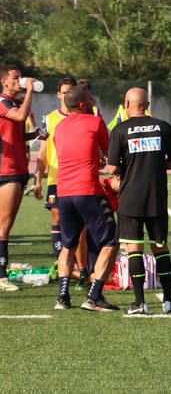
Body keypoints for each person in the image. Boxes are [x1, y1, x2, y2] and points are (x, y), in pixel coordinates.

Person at [107, 88, 171, 315]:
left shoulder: (120, 129)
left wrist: (127, 168)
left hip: (130, 198)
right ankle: (168, 300)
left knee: (134, 249)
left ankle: (140, 303)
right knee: (161, 248)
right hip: (156, 198)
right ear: (147, 104)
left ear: (126, 104)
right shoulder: (163, 126)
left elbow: (112, 168)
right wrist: (158, 165)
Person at [53, 86, 119, 311]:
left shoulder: (60, 126)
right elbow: (113, 157)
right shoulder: (95, 122)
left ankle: (62, 297)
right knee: (111, 241)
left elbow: (74, 155)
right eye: (90, 98)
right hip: (88, 191)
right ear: (82, 104)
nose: (93, 101)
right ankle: (94, 296)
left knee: (68, 245)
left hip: (63, 192)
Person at [33, 77, 89, 286]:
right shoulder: (50, 119)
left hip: (80, 179)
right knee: (57, 222)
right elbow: (42, 153)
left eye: (70, 91)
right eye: (63, 92)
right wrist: (38, 179)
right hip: (57, 179)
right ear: (58, 94)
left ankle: (81, 270)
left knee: (81, 229)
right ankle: (63, 267)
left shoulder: (85, 117)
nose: (66, 95)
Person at [0, 65, 44, 291]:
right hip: (5, 170)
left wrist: (35, 134)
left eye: (20, 78)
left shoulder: (15, 103)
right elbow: (20, 116)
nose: (20, 81)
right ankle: (1, 276)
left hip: (18, 169)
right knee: (4, 224)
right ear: (4, 82)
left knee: (7, 223)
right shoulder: (4, 102)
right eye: (15, 78)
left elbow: (17, 133)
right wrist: (29, 90)